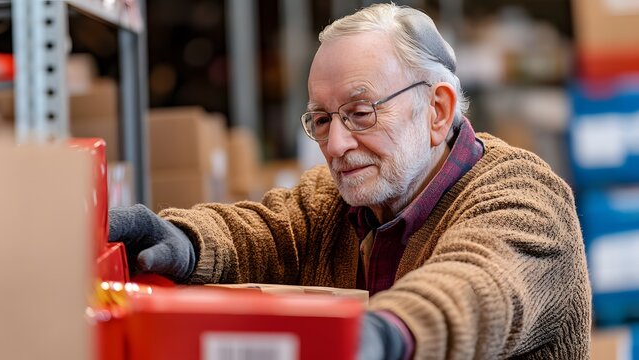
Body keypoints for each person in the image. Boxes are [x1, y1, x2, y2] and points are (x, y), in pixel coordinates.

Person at [109, 3, 591, 359]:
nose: (336, 144)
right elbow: (267, 232)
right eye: (321, 119)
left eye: (360, 114)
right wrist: (184, 240)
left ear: (437, 111)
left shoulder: (524, 198)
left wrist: (381, 333)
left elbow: (475, 289)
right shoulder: (338, 201)